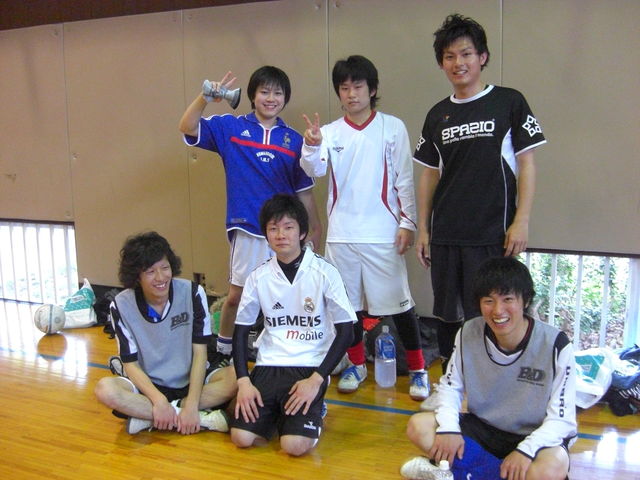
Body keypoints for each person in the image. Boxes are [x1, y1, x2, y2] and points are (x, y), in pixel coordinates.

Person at [414, 14, 546, 408]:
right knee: (447, 316)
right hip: (446, 233)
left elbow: (527, 164)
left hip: (491, 233)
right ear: (441, 63)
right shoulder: (437, 114)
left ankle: (492, 392)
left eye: (466, 54)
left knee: (491, 313)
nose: (459, 63)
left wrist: (521, 220)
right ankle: (450, 388)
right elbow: (429, 175)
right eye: (449, 56)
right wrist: (424, 229)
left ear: (482, 57)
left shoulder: (509, 102)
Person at [301, 55, 429, 401]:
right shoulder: (329, 133)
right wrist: (312, 144)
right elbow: (313, 170)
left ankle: (418, 370)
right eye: (344, 88)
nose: (351, 94)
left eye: (358, 86)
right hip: (341, 235)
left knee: (400, 305)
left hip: (383, 234)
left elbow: (404, 179)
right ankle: (356, 364)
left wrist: (408, 223)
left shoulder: (392, 127)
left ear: (372, 89)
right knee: (349, 308)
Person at [179, 66, 322, 368]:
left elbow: (305, 193)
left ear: (285, 98)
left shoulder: (294, 140)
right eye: (264, 91)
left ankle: (283, 352)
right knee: (236, 297)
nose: (271, 98)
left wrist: (314, 229)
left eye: (278, 93)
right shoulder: (230, 128)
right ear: (253, 95)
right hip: (247, 228)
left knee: (285, 295)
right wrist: (205, 98)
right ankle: (224, 350)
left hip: (285, 232)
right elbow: (187, 126)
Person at [400, 257, 576, 480]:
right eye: (489, 301)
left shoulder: (555, 344)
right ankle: (489, 473)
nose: (498, 310)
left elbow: (562, 420)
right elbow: (451, 386)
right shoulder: (468, 332)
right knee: (418, 426)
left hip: (534, 433)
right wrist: (449, 428)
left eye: (508, 299)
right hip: (483, 427)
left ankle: (459, 473)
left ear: (525, 300)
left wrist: (526, 450)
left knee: (551, 469)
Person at [230, 194, 356, 456]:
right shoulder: (258, 276)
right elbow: (240, 332)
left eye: (288, 227)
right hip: (269, 364)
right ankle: (281, 413)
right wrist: (243, 382)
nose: (281, 235)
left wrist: (316, 380)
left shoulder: (325, 272)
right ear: (266, 234)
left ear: (302, 233)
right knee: (241, 438)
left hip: (310, 366)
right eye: (273, 228)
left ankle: (314, 409)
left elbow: (347, 332)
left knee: (294, 446)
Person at [94, 232, 237, 435]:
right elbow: (130, 364)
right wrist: (159, 401)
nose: (161, 277)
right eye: (150, 271)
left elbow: (200, 353)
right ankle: (199, 418)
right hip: (150, 386)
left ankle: (151, 418)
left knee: (237, 376)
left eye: (165, 267)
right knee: (105, 390)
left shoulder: (192, 292)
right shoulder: (121, 305)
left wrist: (192, 403)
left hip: (191, 380)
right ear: (137, 276)